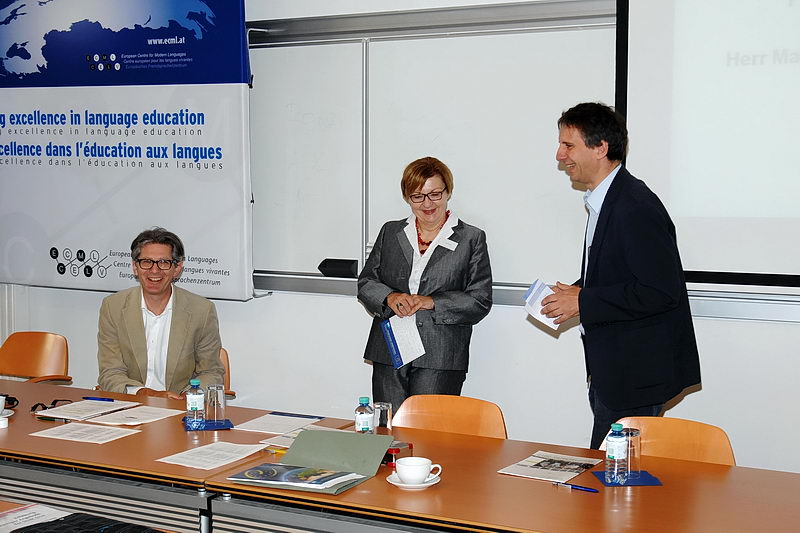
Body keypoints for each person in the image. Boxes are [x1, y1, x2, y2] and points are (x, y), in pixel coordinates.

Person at [541, 103, 701, 449]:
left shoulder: (634, 206)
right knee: (608, 473)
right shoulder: (609, 199)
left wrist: (583, 300)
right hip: (613, 372)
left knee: (612, 475)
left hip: (634, 376)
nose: (559, 155)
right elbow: (620, 274)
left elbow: (660, 290)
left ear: (600, 148)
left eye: (568, 145)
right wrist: (576, 291)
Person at [358, 156, 493, 413]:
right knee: (389, 428)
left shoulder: (471, 238)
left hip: (440, 354)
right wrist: (389, 297)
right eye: (418, 196)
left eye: (435, 194)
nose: (427, 204)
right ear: (407, 198)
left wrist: (432, 302)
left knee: (429, 430)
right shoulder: (390, 232)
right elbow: (366, 282)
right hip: (390, 349)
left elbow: (480, 299)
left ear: (448, 192)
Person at [97, 227, 224, 398]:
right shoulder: (113, 307)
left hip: (179, 405)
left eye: (164, 262)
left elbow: (211, 372)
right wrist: (145, 393)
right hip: (131, 403)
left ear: (177, 269)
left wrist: (188, 398)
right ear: (135, 267)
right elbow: (110, 372)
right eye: (146, 262)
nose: (154, 270)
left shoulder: (201, 310)